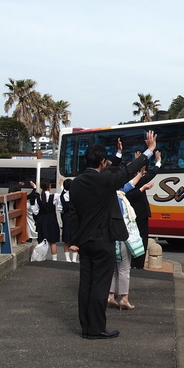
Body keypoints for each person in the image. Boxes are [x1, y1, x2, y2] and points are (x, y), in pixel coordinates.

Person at [68, 131, 156, 340]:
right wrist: (149, 151)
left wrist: (74, 241)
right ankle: (96, 328)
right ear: (101, 162)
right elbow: (128, 171)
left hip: (84, 242)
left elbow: (73, 214)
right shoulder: (106, 180)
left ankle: (86, 326)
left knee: (86, 284)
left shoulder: (77, 183)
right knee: (100, 284)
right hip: (103, 239)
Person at [108, 173, 144, 311]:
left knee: (113, 268)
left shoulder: (110, 195)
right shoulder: (120, 197)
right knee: (124, 269)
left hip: (111, 237)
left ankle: (110, 295)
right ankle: (124, 298)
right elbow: (131, 184)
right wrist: (140, 171)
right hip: (122, 236)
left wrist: (140, 173)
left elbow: (131, 184)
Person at [125, 150, 161, 269]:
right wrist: (158, 161)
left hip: (131, 214)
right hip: (138, 214)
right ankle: (137, 264)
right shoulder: (140, 181)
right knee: (141, 239)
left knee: (132, 238)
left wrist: (138, 161)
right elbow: (154, 172)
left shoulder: (125, 181)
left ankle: (133, 263)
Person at [36, 181, 62, 261]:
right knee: (53, 241)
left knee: (41, 241)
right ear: (49, 186)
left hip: (42, 219)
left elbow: (35, 211)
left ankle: (40, 257)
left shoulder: (39, 198)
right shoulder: (54, 196)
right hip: (52, 219)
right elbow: (60, 207)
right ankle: (54, 259)